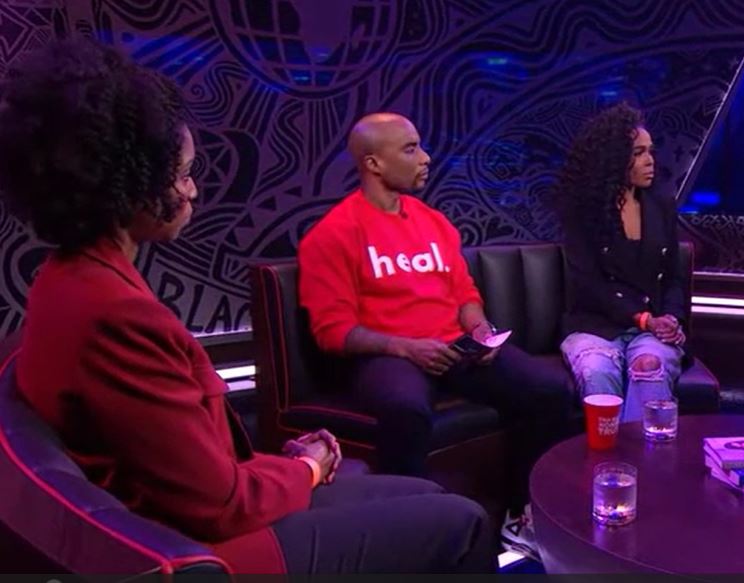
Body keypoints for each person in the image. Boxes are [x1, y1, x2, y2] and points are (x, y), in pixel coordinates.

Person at [0, 38, 495, 573]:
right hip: (209, 549)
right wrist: (308, 467)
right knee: (464, 521)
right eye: (183, 173)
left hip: (199, 506)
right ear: (130, 183)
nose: (193, 191)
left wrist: (290, 464)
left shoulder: (65, 279)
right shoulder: (115, 314)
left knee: (428, 493)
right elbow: (221, 505)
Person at [297, 112, 572, 559]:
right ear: (373, 163)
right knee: (405, 409)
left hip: (453, 347)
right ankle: (411, 542)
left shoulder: (434, 222)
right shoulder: (333, 235)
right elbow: (333, 331)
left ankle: (521, 517)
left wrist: (479, 329)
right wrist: (405, 347)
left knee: (550, 389)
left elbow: (465, 294)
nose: (426, 158)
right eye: (411, 149)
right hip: (386, 355)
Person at [554, 103, 687, 422]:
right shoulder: (582, 211)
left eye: (650, 151)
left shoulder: (661, 206)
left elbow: (672, 277)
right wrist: (643, 319)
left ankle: (644, 451)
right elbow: (590, 284)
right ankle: (606, 452)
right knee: (598, 370)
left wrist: (670, 319)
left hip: (652, 330)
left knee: (648, 366)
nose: (650, 160)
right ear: (613, 159)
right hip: (595, 326)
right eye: (639, 153)